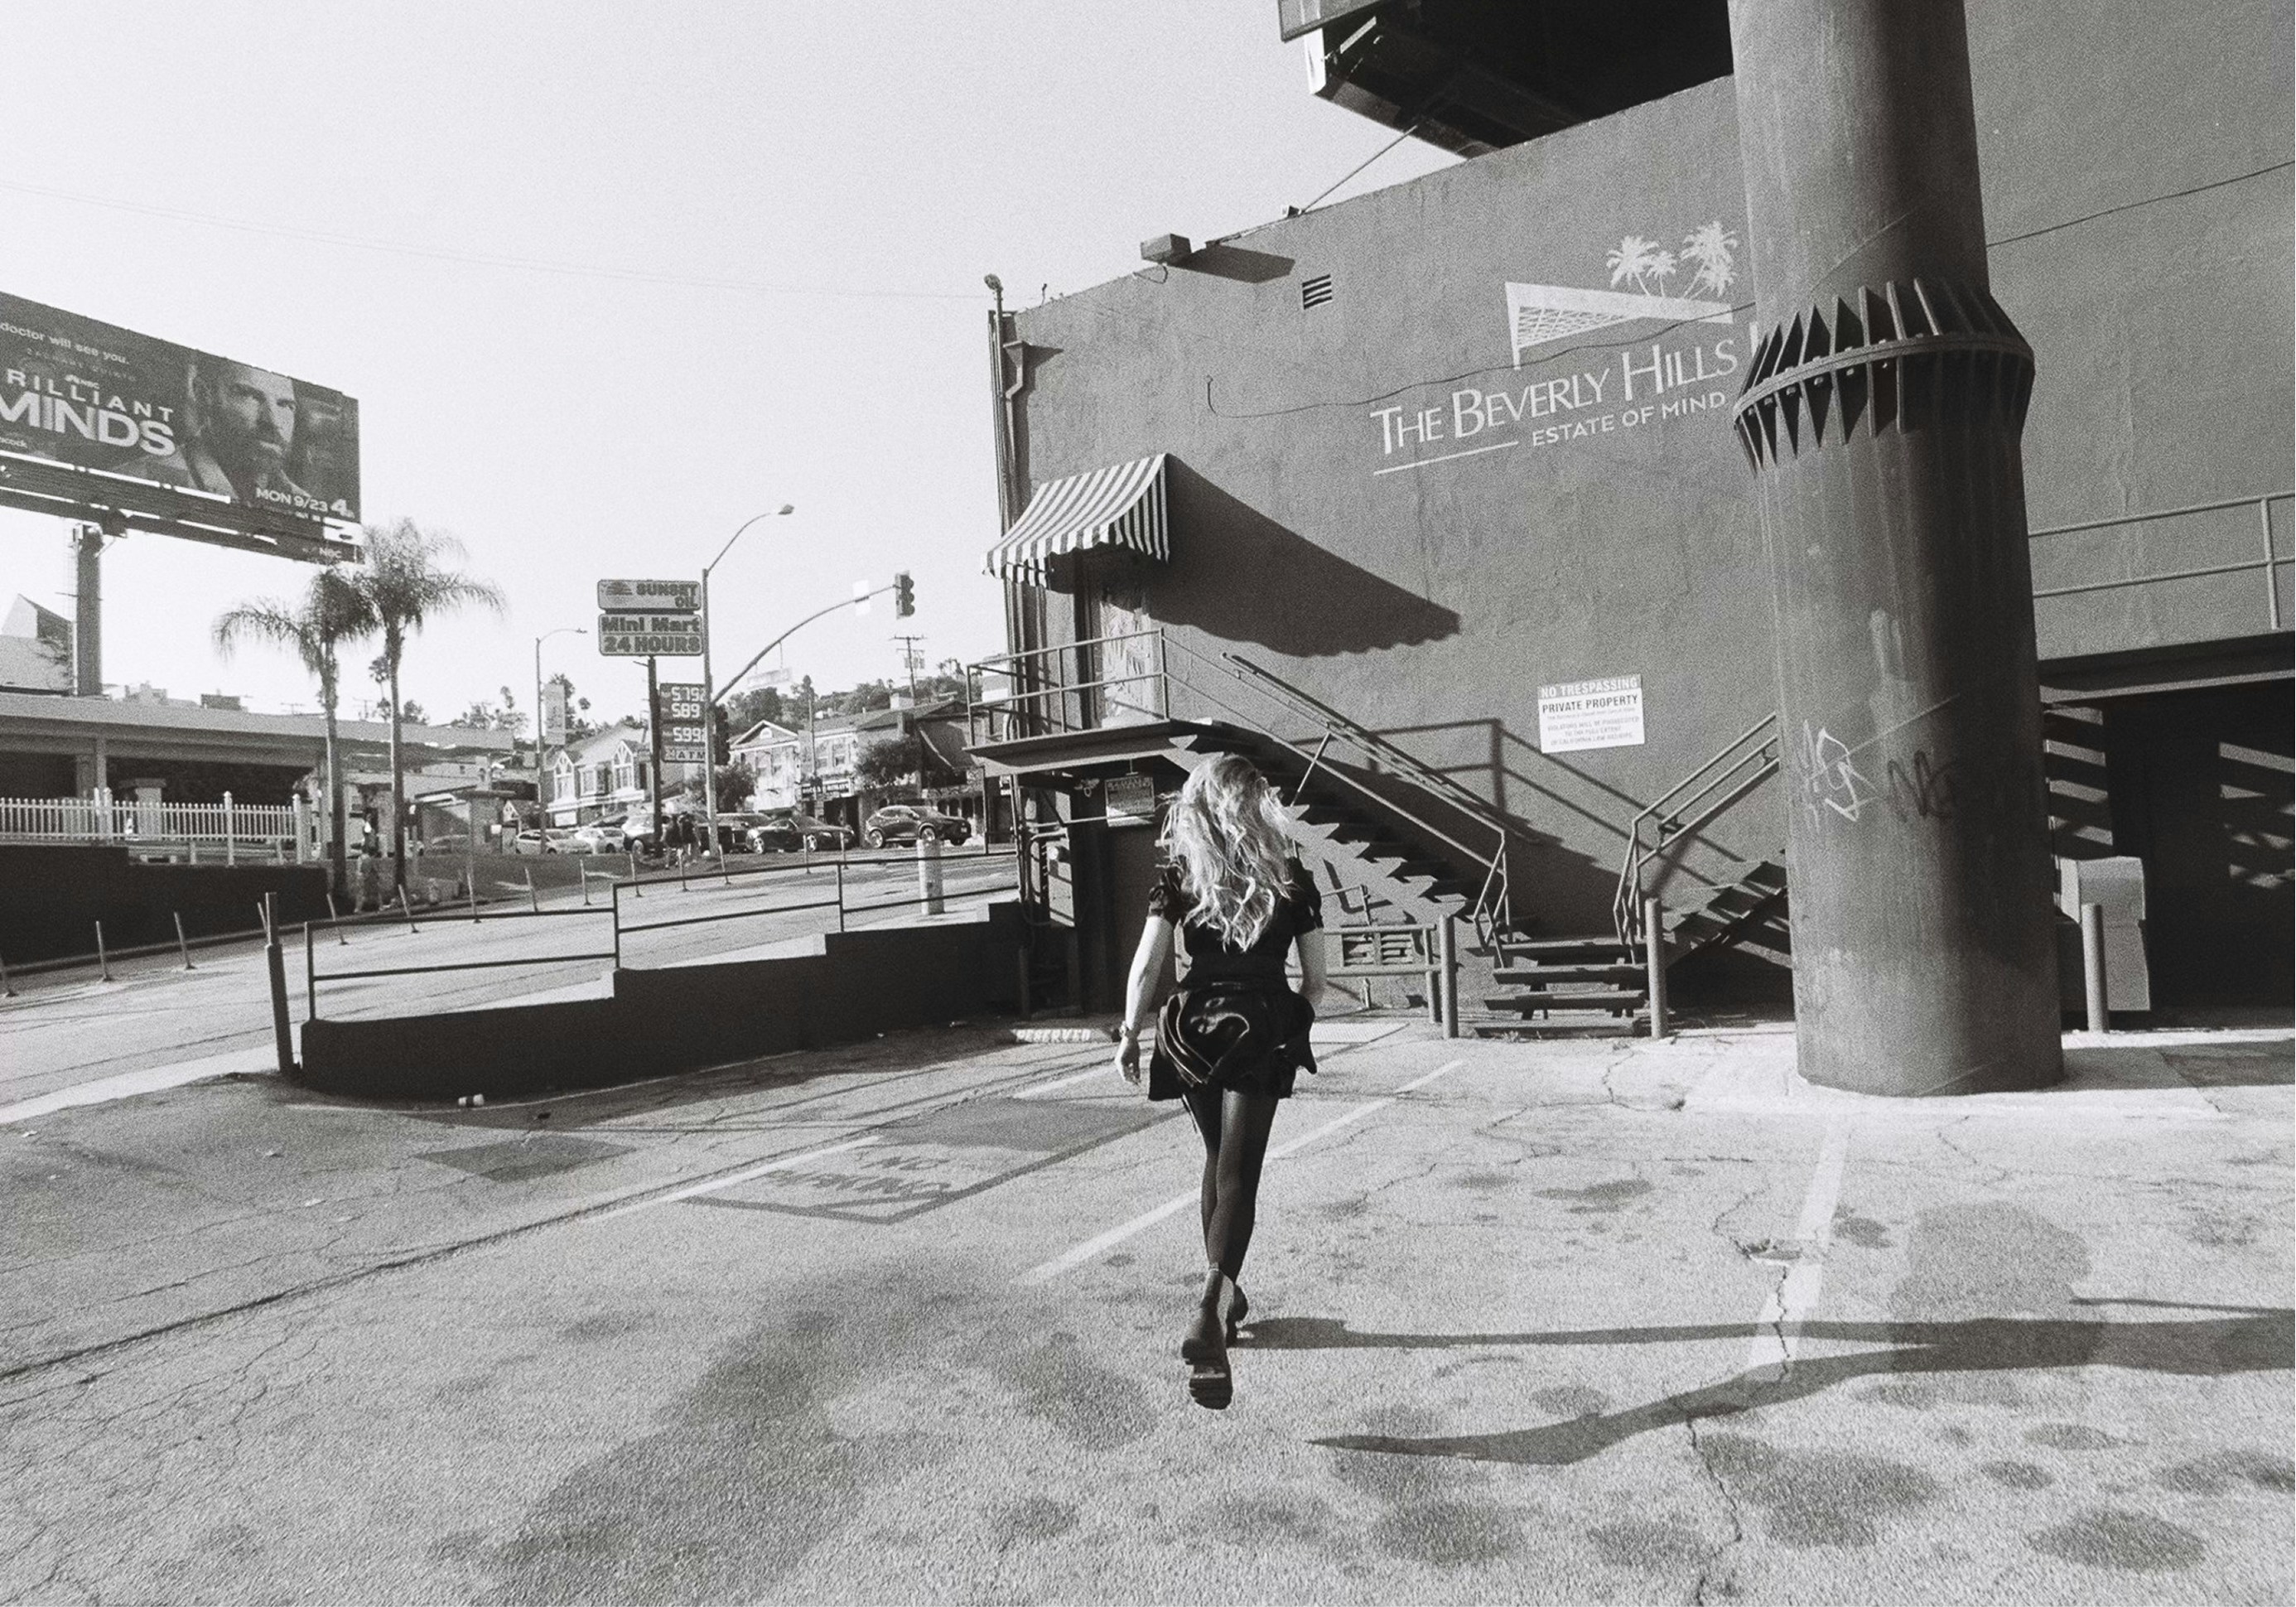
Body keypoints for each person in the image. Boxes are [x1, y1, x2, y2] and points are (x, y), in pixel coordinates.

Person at [1113, 754, 1329, 1410]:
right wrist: (1294, 1027)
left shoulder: (1180, 872)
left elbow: (1149, 963)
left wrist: (1128, 1030)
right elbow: (1316, 981)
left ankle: (1227, 1300)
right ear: (1257, 803)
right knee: (1240, 1171)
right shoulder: (1292, 873)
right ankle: (1210, 1301)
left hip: (1191, 1023)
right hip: (1260, 1020)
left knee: (1216, 1158)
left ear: (1198, 804)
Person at [125, 356, 316, 507]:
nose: (273, 422)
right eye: (249, 395)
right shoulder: (139, 479)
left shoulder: (305, 504)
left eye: (285, 405)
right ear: (203, 394)